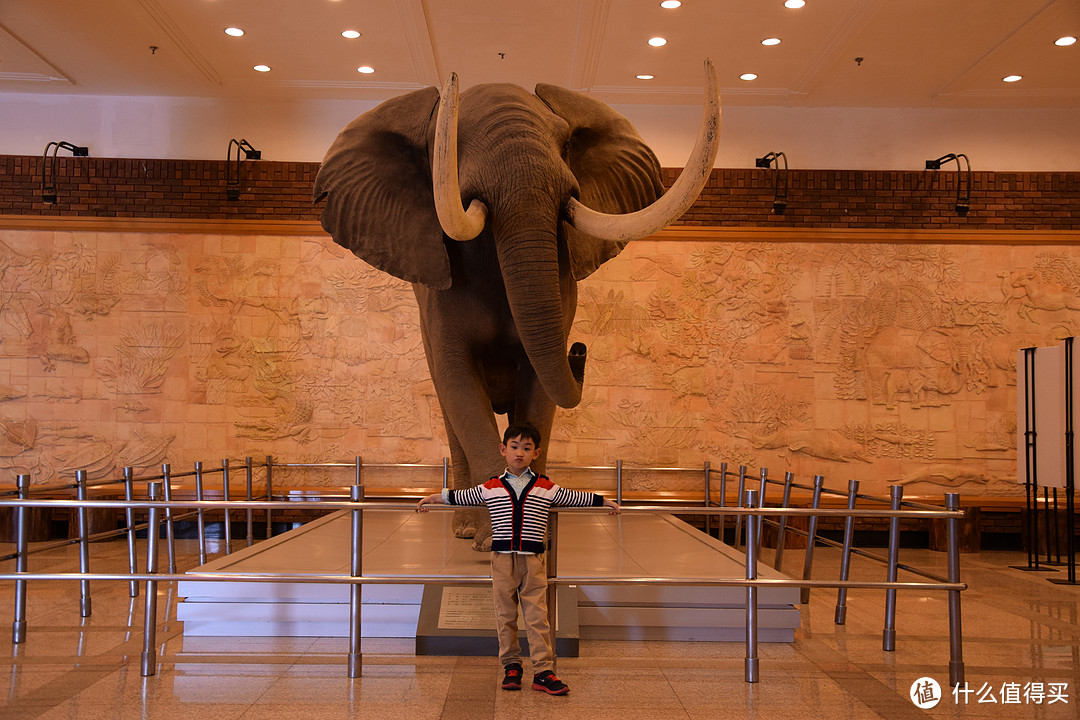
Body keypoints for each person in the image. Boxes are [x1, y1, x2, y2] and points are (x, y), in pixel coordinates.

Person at [417, 421, 620, 695]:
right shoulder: (491, 487)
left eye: (526, 448)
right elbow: (462, 496)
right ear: (503, 449)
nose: (519, 453)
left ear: (536, 453)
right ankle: (511, 666)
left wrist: (603, 501)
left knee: (537, 615)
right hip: (502, 559)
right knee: (505, 614)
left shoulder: (546, 487)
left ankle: (543, 671)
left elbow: (574, 497)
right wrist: (434, 497)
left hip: (533, 559)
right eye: (514, 447)